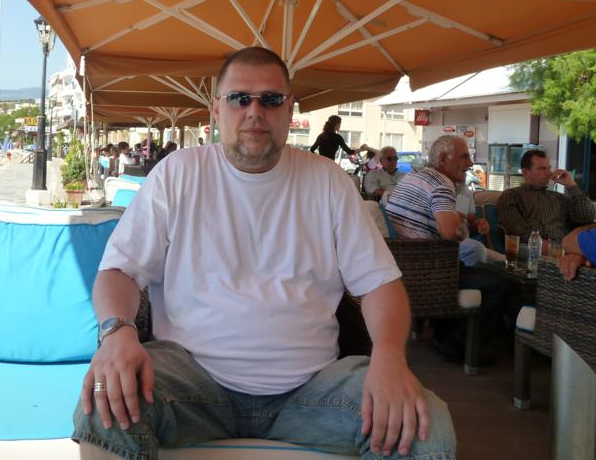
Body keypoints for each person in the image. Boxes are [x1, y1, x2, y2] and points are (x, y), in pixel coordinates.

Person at [74, 47, 456, 460]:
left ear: (289, 110)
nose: (255, 111)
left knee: (424, 424)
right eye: (239, 98)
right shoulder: (178, 174)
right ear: (216, 109)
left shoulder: (328, 182)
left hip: (313, 391)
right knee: (104, 403)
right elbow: (119, 272)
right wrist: (117, 333)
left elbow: (380, 284)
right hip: (191, 382)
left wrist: (389, 356)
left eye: (271, 99)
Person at [386, 135, 507, 362]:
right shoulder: (442, 185)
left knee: (470, 268)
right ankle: (458, 345)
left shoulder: (412, 178)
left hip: (404, 270)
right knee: (499, 282)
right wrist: (460, 224)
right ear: (443, 159)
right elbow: (451, 234)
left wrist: (456, 220)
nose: (470, 163)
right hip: (432, 273)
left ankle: (442, 335)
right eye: (464, 156)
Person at [497, 149, 595, 259]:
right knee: (524, 249)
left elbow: (588, 217)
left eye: (549, 168)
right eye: (542, 169)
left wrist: (571, 185)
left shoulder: (559, 198)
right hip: (533, 247)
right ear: (525, 172)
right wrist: (549, 246)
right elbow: (515, 230)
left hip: (563, 247)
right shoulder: (512, 196)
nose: (549, 173)